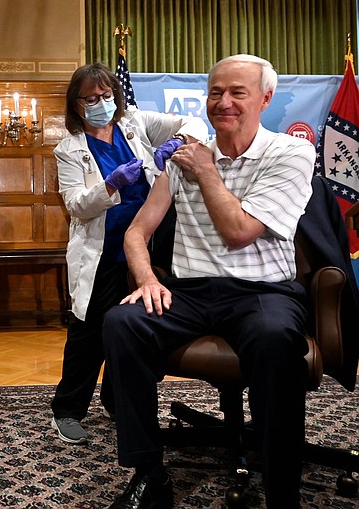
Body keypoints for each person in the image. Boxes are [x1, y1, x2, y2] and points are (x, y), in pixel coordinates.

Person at [102, 54, 316, 509]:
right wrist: (145, 279)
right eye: (216, 91)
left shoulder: (290, 153)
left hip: (263, 292)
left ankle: (282, 489)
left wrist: (206, 170)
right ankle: (149, 473)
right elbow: (137, 232)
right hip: (192, 291)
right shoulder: (182, 159)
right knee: (122, 322)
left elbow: (238, 232)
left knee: (276, 336)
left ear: (265, 98)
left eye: (238, 92)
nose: (224, 102)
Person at [50, 62, 207, 444]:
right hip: (102, 251)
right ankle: (67, 410)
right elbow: (76, 205)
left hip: (148, 246)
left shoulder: (135, 123)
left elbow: (196, 124)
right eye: (91, 98)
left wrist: (177, 141)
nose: (101, 103)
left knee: (133, 327)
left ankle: (117, 400)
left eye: (106, 96)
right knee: (89, 334)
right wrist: (110, 185)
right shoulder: (68, 149)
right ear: (76, 104)